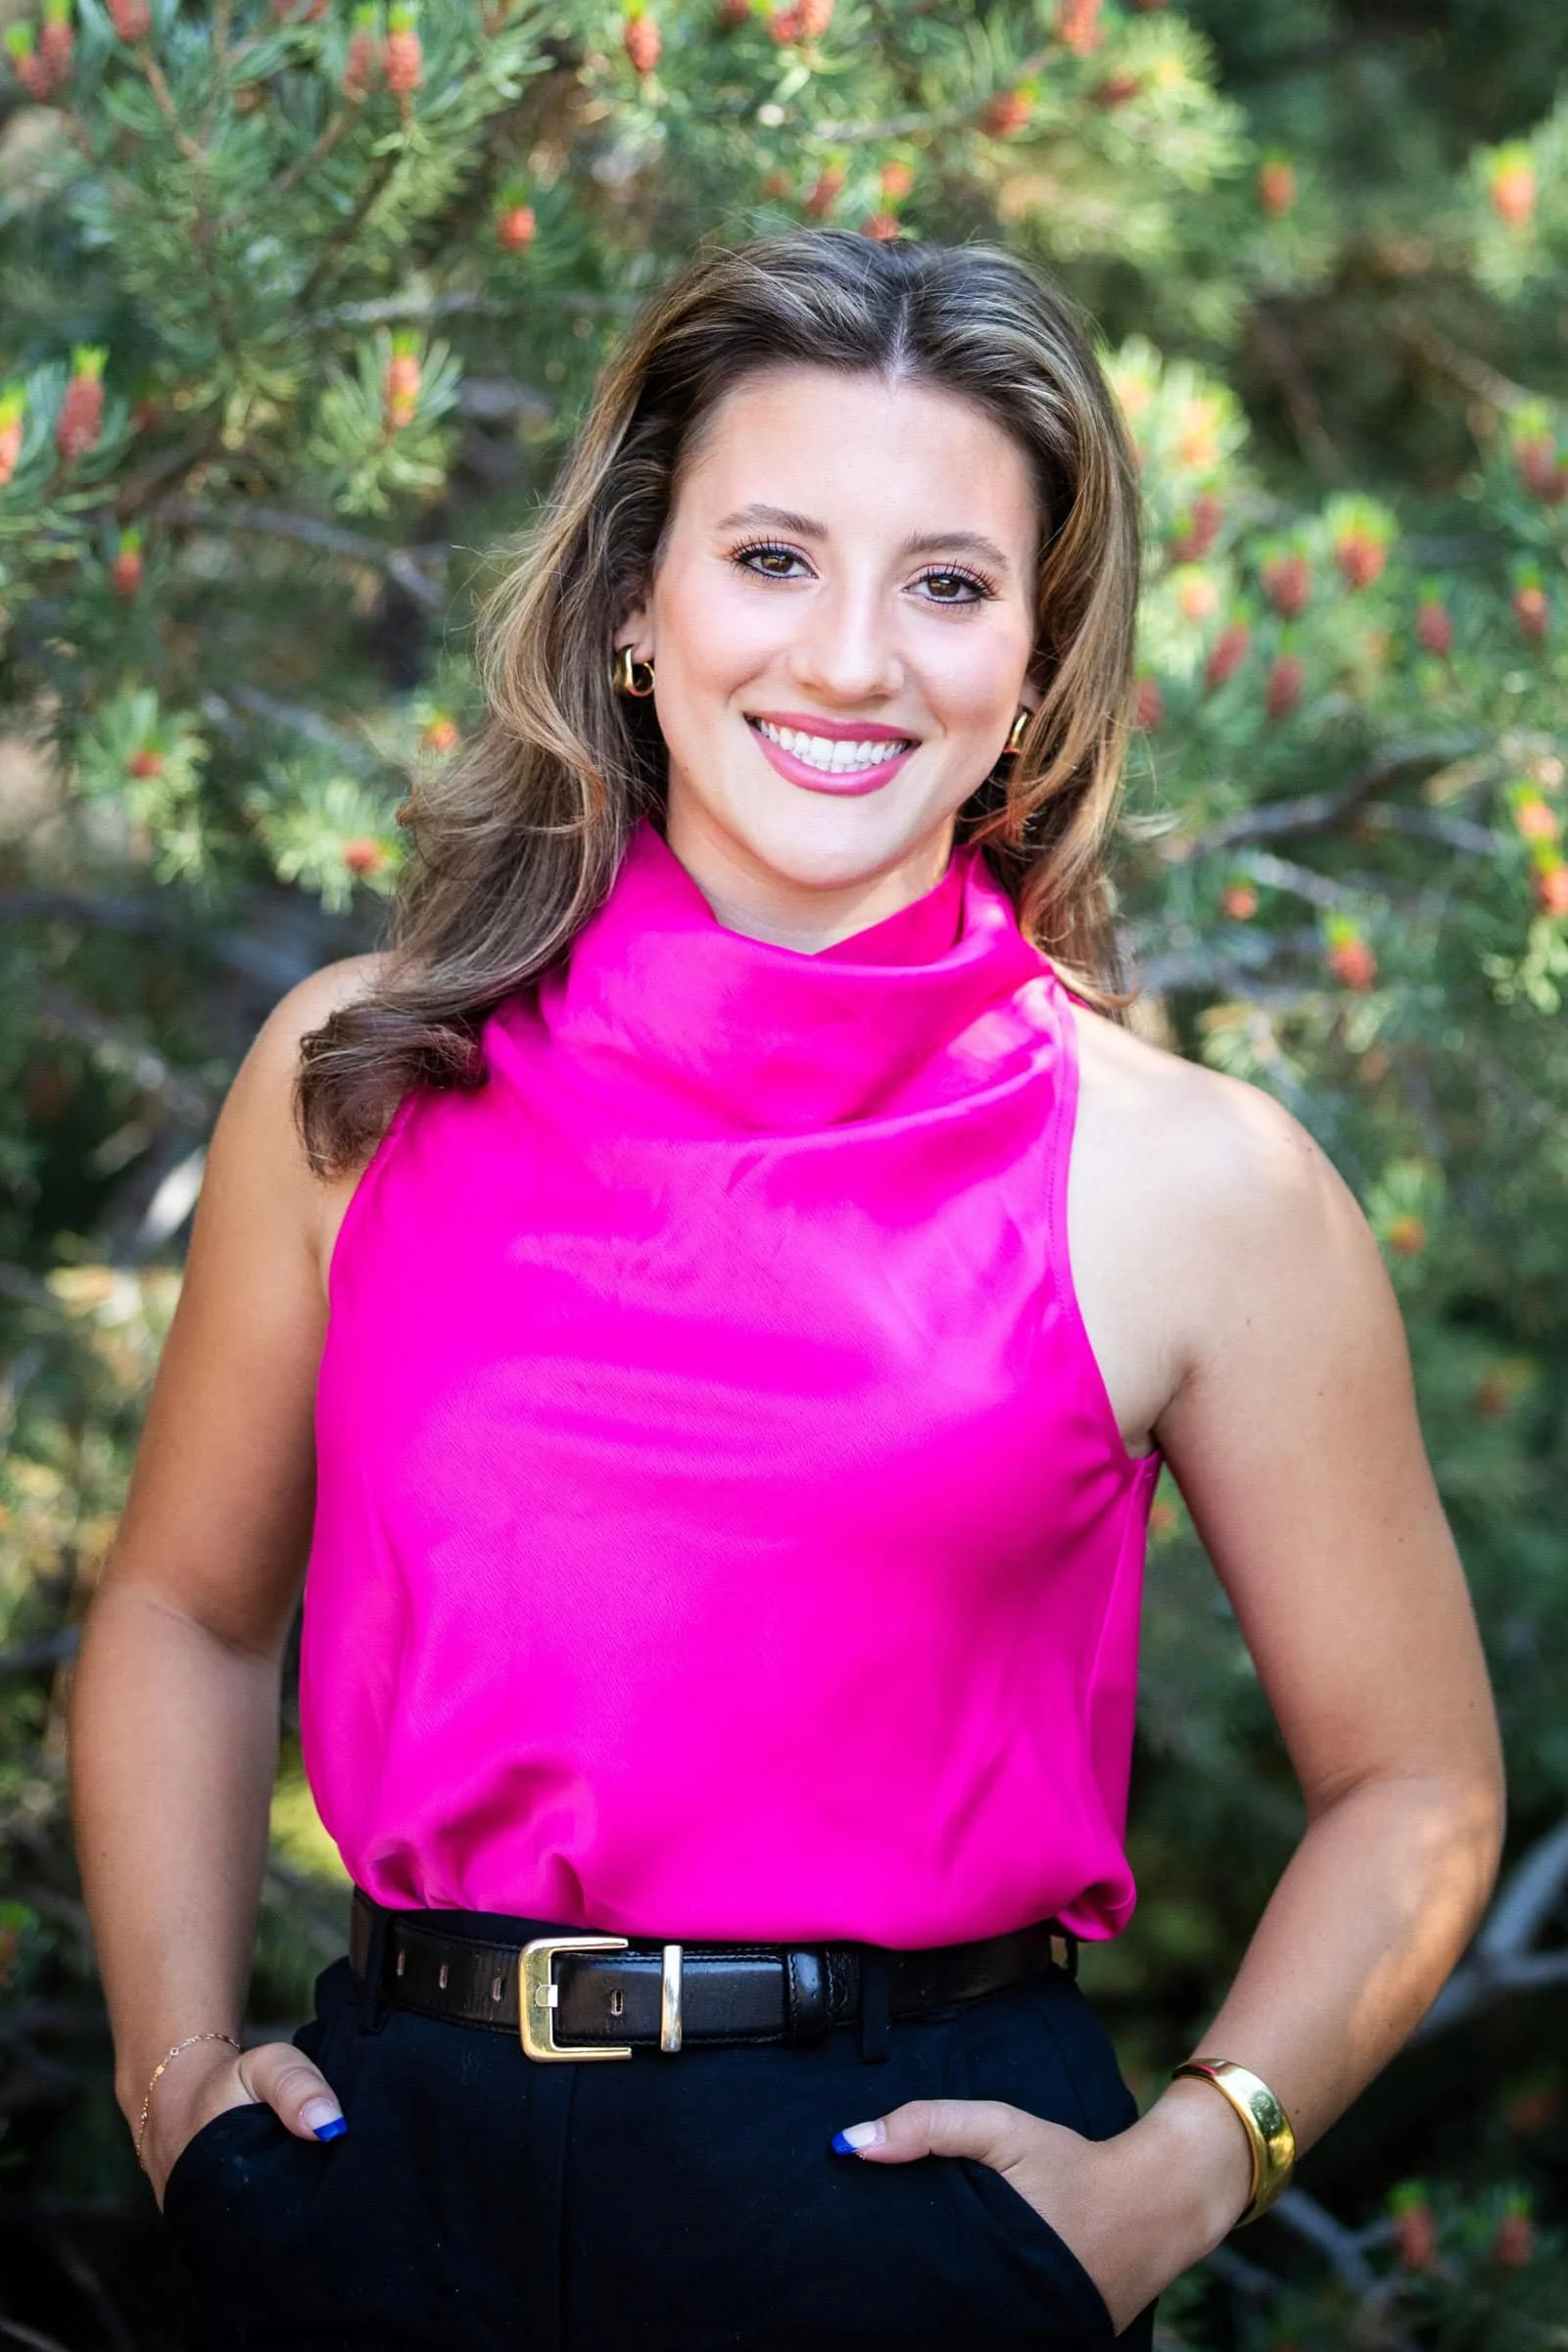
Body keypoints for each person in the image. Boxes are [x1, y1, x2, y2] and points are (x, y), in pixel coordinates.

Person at [71, 229, 1505, 2351]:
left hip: (894, 2219)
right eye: (768, 556)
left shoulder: (1190, 1184)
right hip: (382, 2201)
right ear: (634, 603)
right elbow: (181, 1613)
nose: (848, 658)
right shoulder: (365, 1079)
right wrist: (178, 2084)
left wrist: (1179, 2175)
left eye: (944, 583)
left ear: (1028, 664)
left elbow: (1417, 1783)